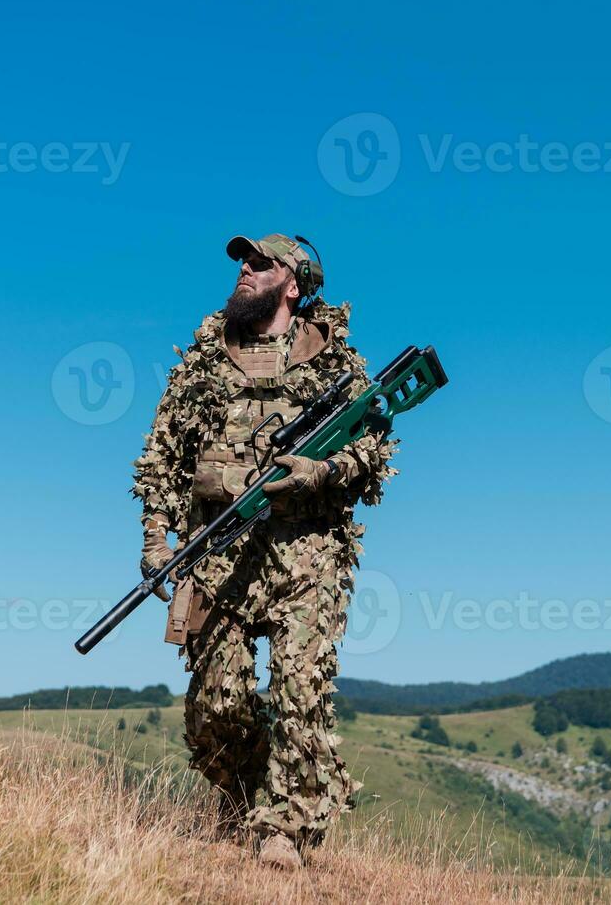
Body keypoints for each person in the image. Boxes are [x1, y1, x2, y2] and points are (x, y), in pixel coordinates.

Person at [132, 234, 396, 870]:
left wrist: (321, 472)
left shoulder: (334, 364)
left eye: (260, 264)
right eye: (241, 264)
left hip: (306, 555)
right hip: (218, 552)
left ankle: (285, 828)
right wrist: (154, 534)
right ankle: (240, 797)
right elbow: (164, 453)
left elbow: (374, 450)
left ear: (294, 284)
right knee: (215, 706)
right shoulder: (204, 361)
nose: (245, 272)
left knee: (300, 691)